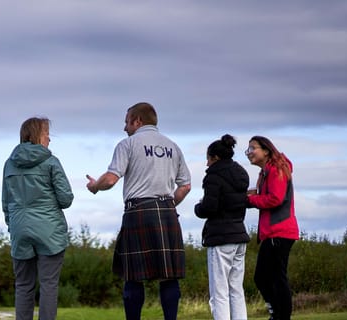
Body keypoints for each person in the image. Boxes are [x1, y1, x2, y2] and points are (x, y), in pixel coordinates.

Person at [86, 102, 191, 320]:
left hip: (139, 212)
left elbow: (111, 179)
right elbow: (185, 186)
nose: (124, 127)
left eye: (127, 122)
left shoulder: (128, 144)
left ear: (138, 121)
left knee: (133, 276)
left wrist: (95, 186)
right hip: (167, 212)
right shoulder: (173, 146)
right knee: (169, 276)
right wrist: (168, 205)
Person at [2, 117, 74, 320]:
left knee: (23, 285)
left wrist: (13, 225)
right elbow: (66, 199)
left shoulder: (9, 164)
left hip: (19, 229)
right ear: (37, 136)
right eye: (46, 134)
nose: (49, 139)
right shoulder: (51, 162)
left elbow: (6, 202)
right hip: (49, 231)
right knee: (49, 284)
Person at [194, 134, 250, 320]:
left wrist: (198, 207)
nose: (207, 163)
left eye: (208, 159)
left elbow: (209, 207)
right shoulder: (241, 173)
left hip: (220, 238)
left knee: (219, 292)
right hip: (239, 235)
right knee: (236, 289)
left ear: (215, 157)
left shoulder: (213, 177)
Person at [245, 136, 299, 320]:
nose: (249, 153)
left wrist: (251, 200)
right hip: (272, 233)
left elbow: (276, 198)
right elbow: (268, 195)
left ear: (266, 150)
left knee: (272, 277)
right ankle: (277, 314)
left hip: (280, 231)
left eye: (253, 148)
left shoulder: (276, 169)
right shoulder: (266, 172)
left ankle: (280, 315)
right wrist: (253, 195)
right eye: (248, 150)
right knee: (265, 277)